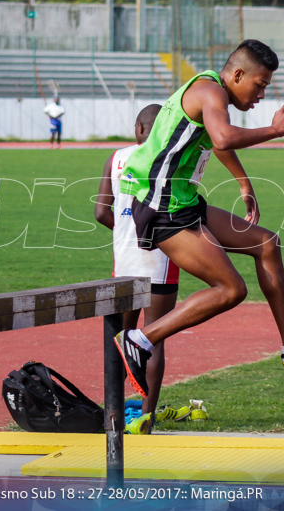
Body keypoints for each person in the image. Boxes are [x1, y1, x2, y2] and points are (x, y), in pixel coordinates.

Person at [113, 39, 284, 399]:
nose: (261, 94)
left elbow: (216, 141)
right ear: (238, 74)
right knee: (231, 289)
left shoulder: (210, 92)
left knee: (266, 243)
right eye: (260, 84)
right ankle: (139, 340)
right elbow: (224, 136)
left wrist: (244, 183)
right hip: (162, 207)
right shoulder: (210, 92)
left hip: (183, 200)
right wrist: (274, 131)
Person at [95, 104, 180, 434]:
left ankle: (113, 414)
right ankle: (147, 418)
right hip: (161, 257)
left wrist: (124, 230)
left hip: (126, 260)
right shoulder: (171, 160)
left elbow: (101, 213)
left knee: (119, 338)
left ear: (138, 128)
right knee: (154, 338)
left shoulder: (115, 159)